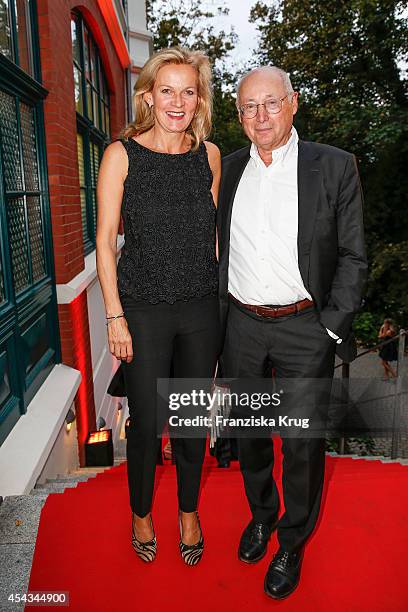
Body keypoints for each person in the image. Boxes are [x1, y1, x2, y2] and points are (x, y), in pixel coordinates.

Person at [217, 66, 367, 598]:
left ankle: (291, 541)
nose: (260, 116)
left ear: (293, 103)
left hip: (307, 327)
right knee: (251, 436)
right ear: (238, 115)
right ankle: (262, 514)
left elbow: (353, 255)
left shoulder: (333, 166)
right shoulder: (227, 169)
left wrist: (332, 327)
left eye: (270, 103)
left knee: (302, 444)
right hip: (242, 326)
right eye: (248, 107)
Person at [96, 47, 221, 565]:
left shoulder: (209, 155)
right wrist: (115, 315)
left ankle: (188, 511)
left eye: (187, 91)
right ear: (148, 95)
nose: (177, 101)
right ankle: (141, 511)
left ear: (199, 100)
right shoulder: (121, 154)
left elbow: (212, 239)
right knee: (146, 424)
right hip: (142, 310)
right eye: (166, 90)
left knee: (193, 422)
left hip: (200, 311)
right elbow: (105, 241)